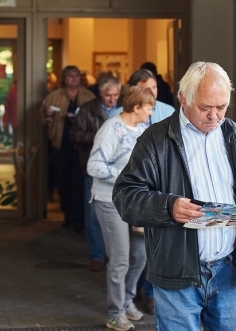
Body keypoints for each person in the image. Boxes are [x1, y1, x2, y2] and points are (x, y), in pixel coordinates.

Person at [113, 61, 236, 331]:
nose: (214, 116)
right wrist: (168, 207)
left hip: (231, 271)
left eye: (221, 107)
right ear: (183, 98)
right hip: (177, 274)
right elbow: (125, 196)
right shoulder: (155, 139)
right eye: (205, 108)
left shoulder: (234, 135)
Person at [88, 86, 156, 331]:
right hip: (109, 201)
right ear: (136, 107)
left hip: (134, 204)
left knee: (141, 254)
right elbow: (94, 166)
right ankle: (115, 314)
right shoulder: (111, 129)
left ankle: (127, 301)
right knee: (120, 260)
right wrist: (124, 177)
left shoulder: (142, 130)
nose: (151, 112)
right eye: (148, 107)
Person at [115, 68, 176, 314]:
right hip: (132, 193)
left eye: (154, 88)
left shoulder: (168, 112)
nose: (152, 95)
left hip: (159, 189)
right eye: (146, 89)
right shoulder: (117, 123)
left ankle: (147, 294)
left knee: (150, 247)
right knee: (134, 252)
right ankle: (130, 297)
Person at [70, 75, 122, 272]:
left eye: (116, 95)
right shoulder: (87, 109)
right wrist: (101, 136)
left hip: (118, 167)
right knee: (93, 213)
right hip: (93, 167)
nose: (112, 99)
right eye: (108, 95)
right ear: (101, 94)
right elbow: (74, 135)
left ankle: (115, 255)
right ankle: (96, 255)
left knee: (118, 212)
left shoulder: (123, 109)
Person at [42, 65, 96, 231]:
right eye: (70, 76)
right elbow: (42, 118)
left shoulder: (89, 96)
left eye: (76, 75)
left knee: (80, 181)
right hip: (61, 145)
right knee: (63, 181)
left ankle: (79, 218)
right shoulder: (54, 97)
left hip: (82, 147)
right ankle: (68, 215)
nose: (73, 78)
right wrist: (47, 114)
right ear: (63, 79)